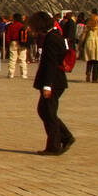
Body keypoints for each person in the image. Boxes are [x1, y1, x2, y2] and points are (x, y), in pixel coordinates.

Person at [29, 11, 75, 155]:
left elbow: (51, 64)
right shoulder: (53, 35)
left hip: (53, 82)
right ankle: (65, 137)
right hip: (55, 81)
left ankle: (55, 145)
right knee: (46, 111)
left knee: (48, 112)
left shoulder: (51, 38)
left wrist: (47, 85)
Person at [81, 12, 98, 82]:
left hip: (89, 43)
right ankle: (95, 78)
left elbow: (83, 37)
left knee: (90, 60)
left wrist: (81, 44)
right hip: (97, 44)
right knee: (96, 61)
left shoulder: (87, 27)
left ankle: (88, 72)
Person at [5, 12, 28, 80]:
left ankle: (11, 73)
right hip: (22, 43)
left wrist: (8, 43)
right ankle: (24, 74)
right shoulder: (23, 26)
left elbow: (8, 35)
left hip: (13, 42)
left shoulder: (11, 26)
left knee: (13, 59)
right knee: (23, 59)